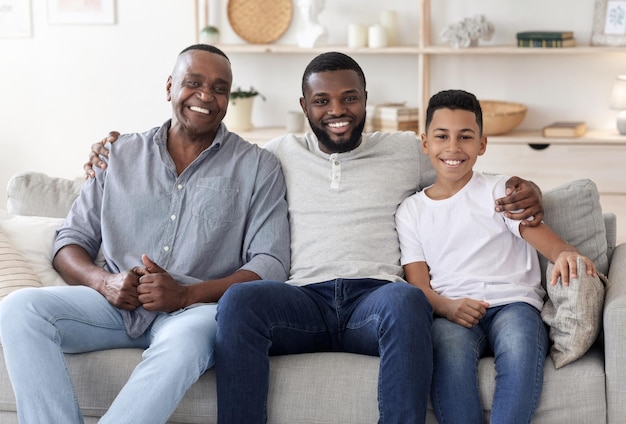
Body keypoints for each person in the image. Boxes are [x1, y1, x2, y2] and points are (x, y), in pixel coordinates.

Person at [84, 52, 544, 423]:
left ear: (366, 99)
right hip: (301, 301)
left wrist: (528, 189)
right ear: (304, 107)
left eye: (349, 98)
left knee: (409, 302)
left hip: (375, 301)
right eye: (322, 101)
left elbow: (462, 168)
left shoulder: (407, 150)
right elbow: (206, 154)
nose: (337, 111)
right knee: (241, 302)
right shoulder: (273, 155)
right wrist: (114, 149)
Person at [0, 44, 290, 424]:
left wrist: (185, 293)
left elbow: (270, 264)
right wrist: (103, 282)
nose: (206, 96)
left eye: (219, 88)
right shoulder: (117, 154)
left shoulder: (258, 166)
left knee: (184, 344)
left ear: (229, 98)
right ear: (170, 87)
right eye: (193, 82)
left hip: (196, 312)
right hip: (114, 307)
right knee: (20, 309)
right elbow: (70, 240)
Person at [395, 89, 598, 424]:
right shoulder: (411, 211)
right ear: (425, 143)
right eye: (442, 136)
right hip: (453, 311)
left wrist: (564, 252)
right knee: (448, 357)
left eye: (465, 137)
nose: (453, 148)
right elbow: (419, 288)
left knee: (520, 351)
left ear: (482, 144)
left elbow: (547, 241)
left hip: (514, 304)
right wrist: (449, 307)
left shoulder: (500, 190)